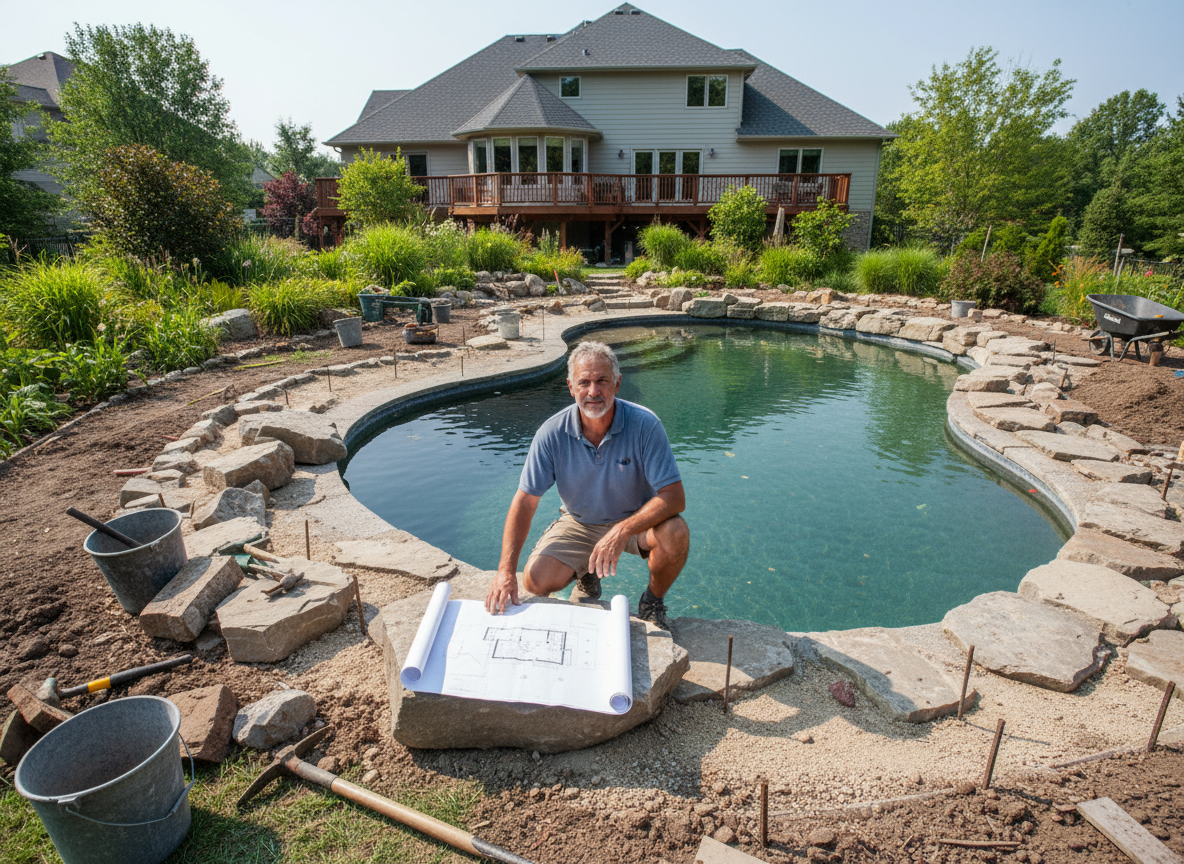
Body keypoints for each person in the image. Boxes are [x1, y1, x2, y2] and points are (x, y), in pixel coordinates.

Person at [484, 340, 690, 629]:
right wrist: (505, 571)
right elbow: (525, 501)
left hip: (635, 521)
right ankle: (586, 574)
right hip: (580, 522)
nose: (593, 392)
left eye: (602, 381)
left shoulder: (646, 425)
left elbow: (674, 498)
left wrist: (622, 530)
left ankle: (652, 602)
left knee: (676, 532)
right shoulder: (551, 433)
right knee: (535, 580)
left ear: (617, 384)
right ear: (571, 387)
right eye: (584, 382)